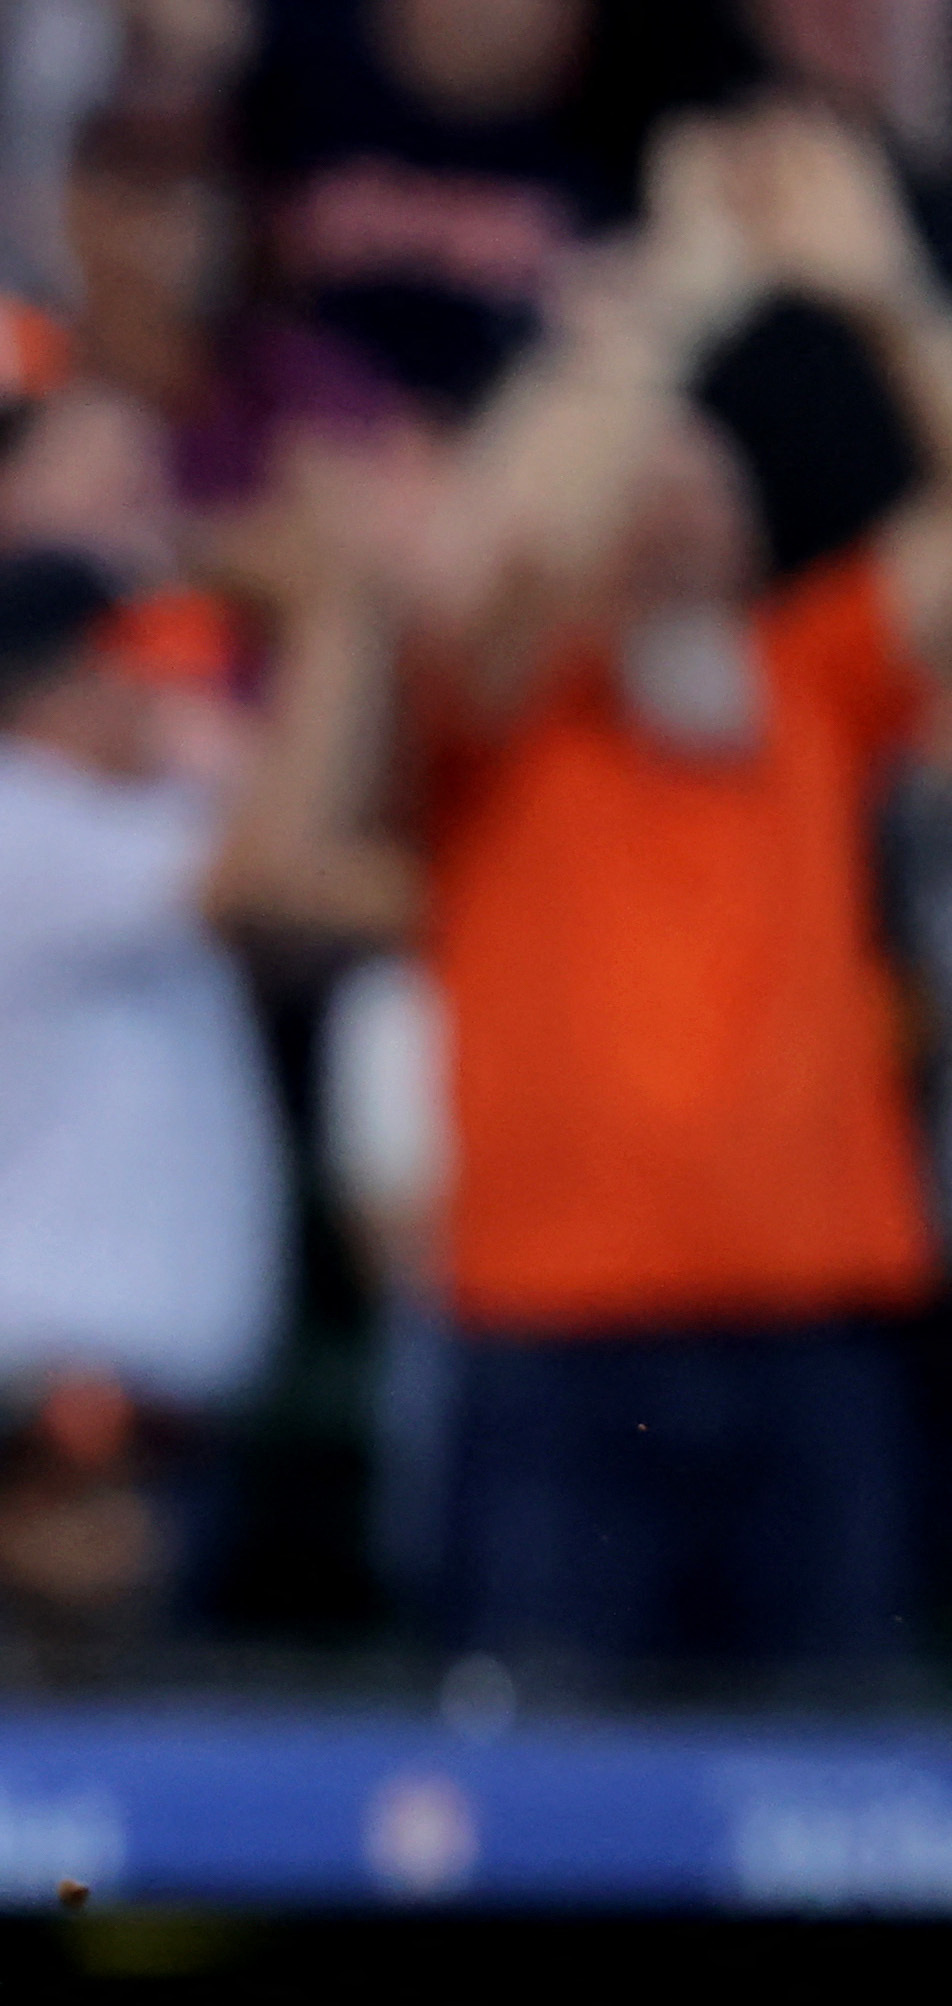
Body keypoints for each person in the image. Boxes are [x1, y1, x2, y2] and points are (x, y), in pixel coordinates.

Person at [407, 107, 952, 1679]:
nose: (670, 503)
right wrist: (673, 305)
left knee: (828, 1810)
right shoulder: (504, 725)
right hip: (559, 1338)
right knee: (551, 1819)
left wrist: (889, 297)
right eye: (637, 485)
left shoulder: (810, 686)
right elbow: (481, 569)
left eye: (706, 481)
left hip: (809, 1332)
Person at [0, 525, 402, 1667]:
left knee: (128, 1811)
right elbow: (275, 876)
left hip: (131, 1430)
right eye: (128, 670)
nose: (155, 697)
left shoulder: (117, 822)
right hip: (27, 1431)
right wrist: (333, 621)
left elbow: (322, 877)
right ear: (53, 683)